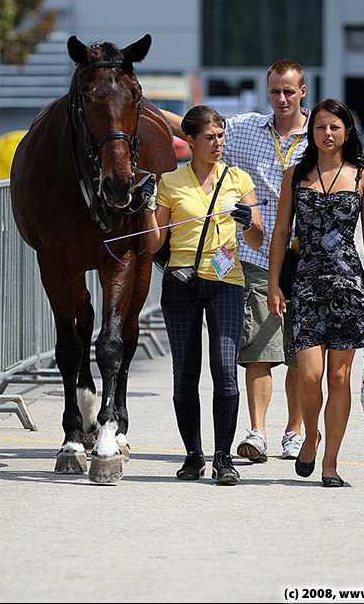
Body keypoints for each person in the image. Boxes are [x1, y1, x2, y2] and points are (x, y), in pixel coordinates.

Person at [160, 59, 310, 462]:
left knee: (300, 348)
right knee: (258, 346)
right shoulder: (243, 128)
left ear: (302, 92)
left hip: (306, 257)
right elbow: (194, 126)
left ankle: (293, 431)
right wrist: (137, 103)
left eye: (289, 91)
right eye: (275, 91)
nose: (281, 99)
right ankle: (257, 431)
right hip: (257, 256)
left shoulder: (321, 135)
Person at [142, 105, 263, 484]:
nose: (218, 144)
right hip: (182, 282)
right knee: (185, 374)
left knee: (225, 370)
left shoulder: (239, 179)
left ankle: (222, 458)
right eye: (209, 137)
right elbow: (152, 244)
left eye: (221, 136)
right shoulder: (170, 182)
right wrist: (147, 206)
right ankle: (193, 455)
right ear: (189, 141)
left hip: (227, 281)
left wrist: (248, 223)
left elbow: (257, 239)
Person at [267, 98, 364, 487]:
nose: (327, 134)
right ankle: (310, 434)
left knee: (338, 378)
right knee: (309, 375)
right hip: (305, 286)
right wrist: (273, 285)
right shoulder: (295, 175)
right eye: (320, 127)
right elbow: (281, 232)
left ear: (346, 131)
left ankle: (330, 462)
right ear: (311, 132)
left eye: (335, 127)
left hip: (349, 287)